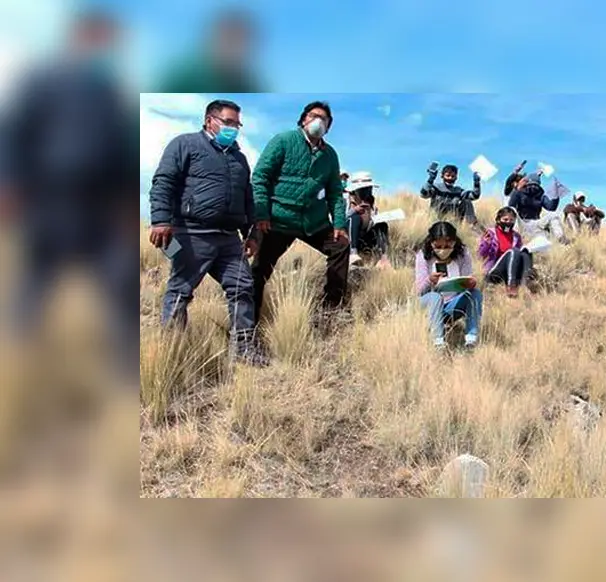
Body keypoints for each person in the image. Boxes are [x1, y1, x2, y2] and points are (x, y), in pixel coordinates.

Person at [0, 8, 139, 382]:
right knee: (35, 281)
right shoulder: (41, 80)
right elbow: (12, 133)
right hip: (48, 200)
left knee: (119, 279)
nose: (102, 45)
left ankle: (124, 369)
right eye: (96, 36)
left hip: (99, 208)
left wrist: (127, 200)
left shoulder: (108, 92)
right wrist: (9, 183)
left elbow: (122, 151)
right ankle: (17, 361)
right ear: (77, 36)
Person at [147, 99, 264, 365]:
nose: (234, 128)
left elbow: (247, 199)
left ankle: (244, 350)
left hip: (228, 238)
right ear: (209, 120)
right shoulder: (184, 144)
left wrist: (252, 234)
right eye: (228, 122)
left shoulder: (239, 158)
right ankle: (172, 352)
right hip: (190, 233)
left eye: (237, 124)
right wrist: (160, 220)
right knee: (180, 290)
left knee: (242, 287)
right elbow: (163, 182)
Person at [250, 101, 350, 326]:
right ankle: (248, 326)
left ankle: (332, 306)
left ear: (328, 127)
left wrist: (339, 224)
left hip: (313, 222)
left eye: (324, 119)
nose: (319, 121)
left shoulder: (330, 155)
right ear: (304, 119)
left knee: (340, 245)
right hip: (278, 220)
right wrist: (262, 214)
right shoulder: (283, 141)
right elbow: (260, 178)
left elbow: (335, 192)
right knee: (258, 271)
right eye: (314, 116)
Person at [156, 9, 263, 93]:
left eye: (242, 42)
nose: (235, 50)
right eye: (229, 40)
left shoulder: (249, 83)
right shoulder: (184, 76)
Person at [414, 222, 483, 350]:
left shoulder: (463, 255)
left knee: (475, 294)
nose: (443, 249)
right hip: (429, 305)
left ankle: (471, 340)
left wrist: (470, 284)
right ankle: (438, 342)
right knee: (435, 297)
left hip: (453, 304)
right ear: (431, 242)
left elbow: (467, 279)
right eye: (438, 246)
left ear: (454, 242)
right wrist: (430, 281)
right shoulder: (422, 256)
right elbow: (418, 290)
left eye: (448, 245)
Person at [478, 207, 534, 298]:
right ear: (498, 220)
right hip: (494, 271)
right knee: (514, 251)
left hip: (512, 270)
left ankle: (526, 285)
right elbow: (481, 254)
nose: (508, 222)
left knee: (526, 252)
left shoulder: (516, 236)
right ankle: (511, 286)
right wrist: (486, 243)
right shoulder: (490, 233)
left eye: (511, 220)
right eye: (505, 219)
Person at [345, 171, 390, 269]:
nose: (367, 193)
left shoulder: (371, 203)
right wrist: (354, 210)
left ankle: (383, 258)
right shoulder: (346, 200)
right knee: (355, 218)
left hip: (365, 235)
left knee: (382, 224)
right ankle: (353, 253)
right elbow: (338, 220)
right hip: (347, 235)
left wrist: (372, 218)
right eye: (364, 190)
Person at [506, 171, 567, 243]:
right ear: (527, 183)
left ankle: (561, 239)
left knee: (553, 215)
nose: (533, 187)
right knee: (512, 210)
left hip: (536, 223)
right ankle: (513, 239)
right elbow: (510, 207)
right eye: (531, 185)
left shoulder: (540, 195)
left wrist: (556, 195)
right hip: (522, 223)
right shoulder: (518, 193)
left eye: (536, 185)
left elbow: (551, 207)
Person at [420, 162, 484, 230]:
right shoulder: (436, 188)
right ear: (442, 176)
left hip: (453, 224)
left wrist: (476, 182)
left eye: (453, 176)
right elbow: (423, 194)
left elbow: (475, 196)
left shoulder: (458, 191)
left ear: (456, 177)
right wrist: (430, 179)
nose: (450, 178)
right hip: (436, 221)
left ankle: (473, 224)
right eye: (448, 175)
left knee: (467, 201)